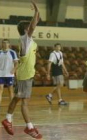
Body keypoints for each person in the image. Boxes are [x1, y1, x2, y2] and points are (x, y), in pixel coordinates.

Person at [1, 1, 42, 139]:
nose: (33, 27)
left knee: (18, 98)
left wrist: (37, 13)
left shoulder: (28, 40)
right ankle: (29, 127)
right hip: (24, 75)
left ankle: (8, 119)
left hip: (26, 74)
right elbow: (33, 25)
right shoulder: (26, 39)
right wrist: (36, 10)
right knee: (24, 101)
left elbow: (37, 21)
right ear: (26, 30)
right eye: (30, 27)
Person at [0, 39, 18, 105]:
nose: (5, 44)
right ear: (2, 44)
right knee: (0, 89)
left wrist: (14, 69)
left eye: (6, 43)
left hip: (10, 74)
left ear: (9, 44)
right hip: (1, 74)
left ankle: (11, 106)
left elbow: (16, 63)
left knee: (10, 90)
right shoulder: (0, 52)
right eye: (3, 43)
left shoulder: (12, 52)